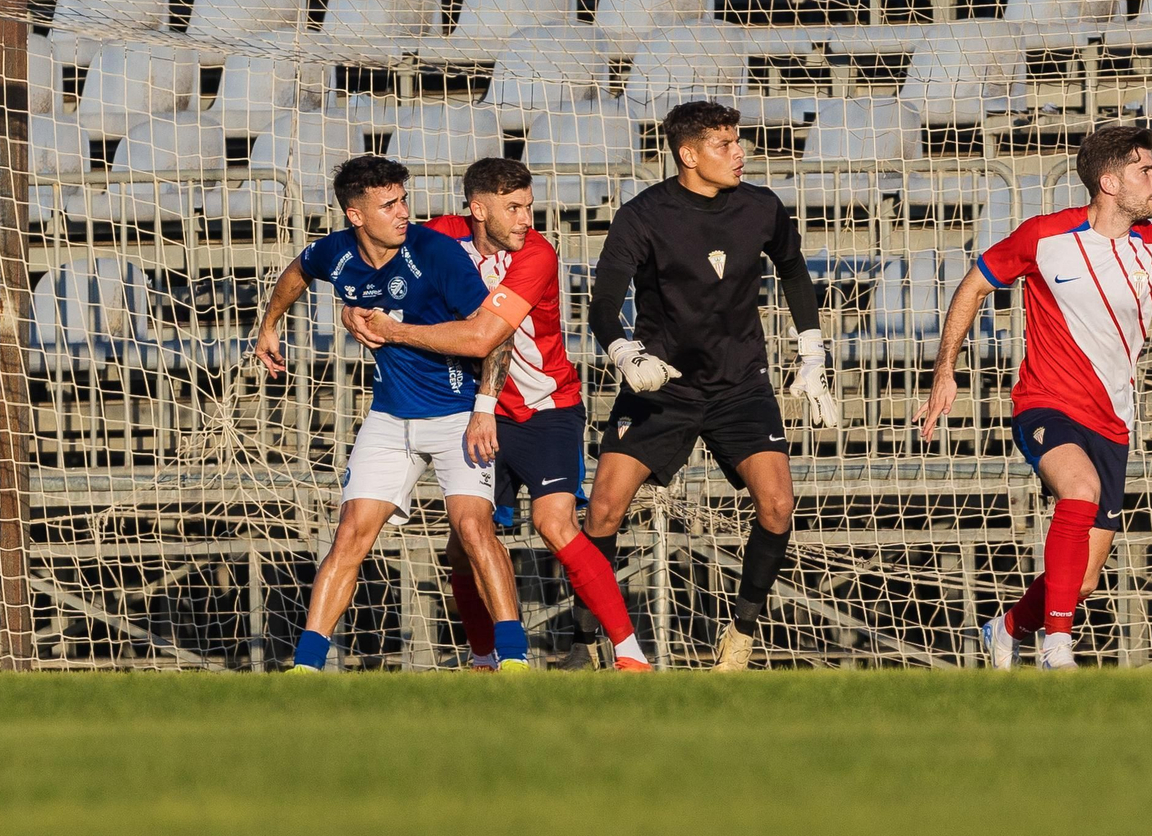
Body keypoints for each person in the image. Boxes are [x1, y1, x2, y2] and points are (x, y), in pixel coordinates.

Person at [914, 126, 1152, 670]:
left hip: (1113, 420)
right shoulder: (1044, 236)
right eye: (1146, 170)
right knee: (1079, 490)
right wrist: (944, 371)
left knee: (1085, 578)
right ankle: (1057, 648)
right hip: (1045, 402)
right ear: (1109, 182)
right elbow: (973, 285)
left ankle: (1006, 629)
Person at [345, 157, 651, 672]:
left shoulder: (536, 253)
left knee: (554, 522)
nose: (525, 219)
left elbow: (487, 336)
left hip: (544, 407)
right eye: (513, 208)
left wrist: (394, 330)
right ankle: (484, 656)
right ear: (477, 208)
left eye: (528, 206)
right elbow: (368, 244)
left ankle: (628, 651)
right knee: (463, 543)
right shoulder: (440, 237)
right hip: (475, 412)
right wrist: (352, 302)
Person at [582, 100, 837, 672]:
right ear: (688, 154)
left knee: (776, 505)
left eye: (737, 140)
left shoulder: (761, 206)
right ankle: (590, 641)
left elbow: (793, 270)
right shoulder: (643, 214)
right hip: (662, 385)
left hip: (740, 384)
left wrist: (812, 352)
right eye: (724, 144)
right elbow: (602, 303)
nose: (739, 153)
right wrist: (625, 351)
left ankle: (741, 634)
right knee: (601, 512)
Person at [252, 155, 530, 672]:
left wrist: (484, 408)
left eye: (404, 199)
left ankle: (513, 659)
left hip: (455, 415)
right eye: (389, 204)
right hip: (388, 418)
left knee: (472, 530)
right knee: (351, 533)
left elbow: (495, 334)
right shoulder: (335, 254)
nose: (404, 212)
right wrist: (270, 324)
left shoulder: (438, 253)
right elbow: (298, 270)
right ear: (356, 216)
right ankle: (307, 667)